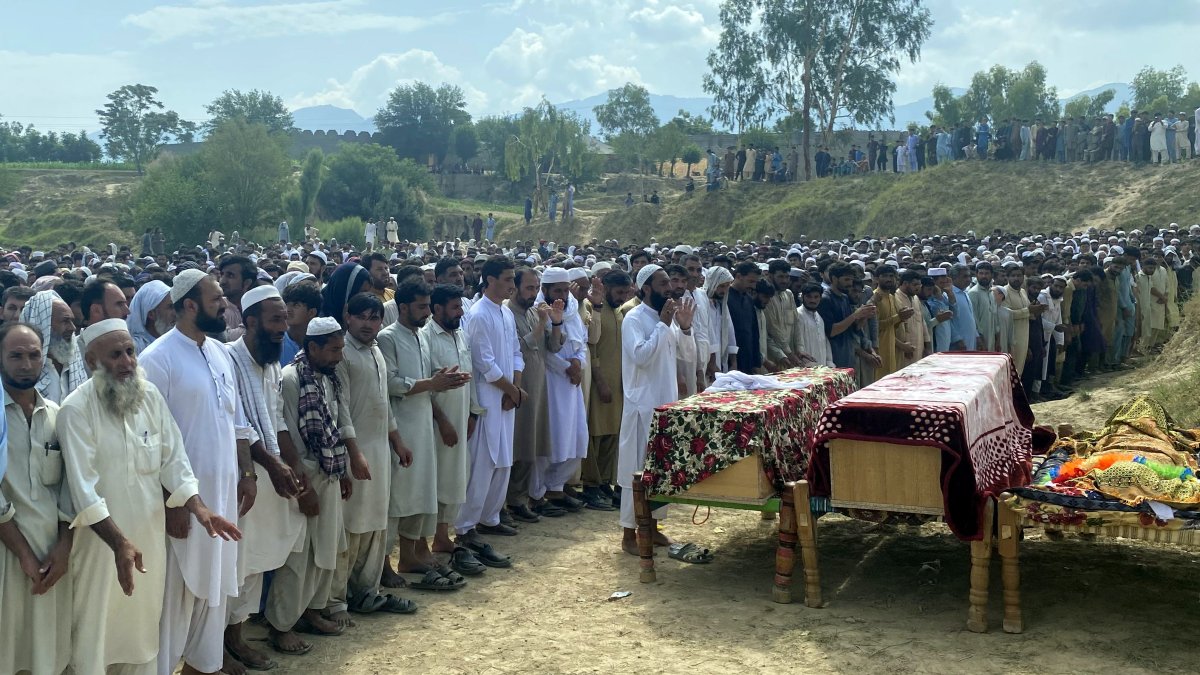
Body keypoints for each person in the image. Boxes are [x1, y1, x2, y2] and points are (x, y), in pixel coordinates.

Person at [61, 319, 240, 675]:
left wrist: (199, 508)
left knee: (143, 633)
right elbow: (85, 491)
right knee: (97, 634)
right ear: (93, 362)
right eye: (116, 355)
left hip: (148, 540)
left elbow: (173, 459)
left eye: (130, 352)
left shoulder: (149, 396)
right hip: (100, 548)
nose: (128, 361)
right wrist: (118, 543)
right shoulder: (75, 410)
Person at [139, 269, 255, 675]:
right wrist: (172, 503)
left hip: (223, 495)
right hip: (184, 501)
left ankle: (203, 667)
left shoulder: (221, 352)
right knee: (177, 595)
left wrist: (248, 473)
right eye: (215, 299)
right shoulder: (157, 360)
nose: (223, 305)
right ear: (189, 305)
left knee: (216, 588)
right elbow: (149, 440)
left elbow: (237, 420)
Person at [265, 316, 369, 654]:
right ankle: (281, 627)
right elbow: (289, 436)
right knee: (300, 556)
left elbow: (342, 421)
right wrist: (305, 485)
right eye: (334, 349)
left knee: (327, 548)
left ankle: (311, 611)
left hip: (330, 472)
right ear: (312, 348)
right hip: (305, 477)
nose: (340, 355)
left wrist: (347, 467)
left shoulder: (330, 377)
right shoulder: (291, 379)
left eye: (341, 348)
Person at [223, 286, 306, 671]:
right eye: (275, 320)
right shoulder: (228, 360)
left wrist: (292, 464)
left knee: (255, 564)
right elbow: (237, 425)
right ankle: (218, 647)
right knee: (234, 566)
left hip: (270, 472)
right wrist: (270, 465)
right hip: (242, 478)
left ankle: (238, 639)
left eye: (285, 319)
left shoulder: (272, 363)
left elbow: (277, 421)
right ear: (250, 321)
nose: (283, 328)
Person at [378, 279, 468, 588]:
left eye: (428, 306)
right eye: (421, 306)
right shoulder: (387, 338)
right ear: (403, 307)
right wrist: (431, 384)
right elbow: (390, 382)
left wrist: (442, 380)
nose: (427, 312)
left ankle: (412, 554)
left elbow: (427, 380)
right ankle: (384, 564)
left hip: (423, 427)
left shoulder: (421, 338)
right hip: (401, 429)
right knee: (398, 500)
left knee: (420, 495)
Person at [336, 291, 420, 616]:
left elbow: (383, 403)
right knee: (353, 525)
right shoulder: (341, 353)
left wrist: (397, 441)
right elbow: (341, 410)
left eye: (374, 318)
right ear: (348, 317)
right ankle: (340, 598)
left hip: (379, 451)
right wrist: (354, 453)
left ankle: (368, 591)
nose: (369, 324)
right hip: (354, 453)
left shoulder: (375, 352)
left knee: (376, 524)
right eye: (362, 317)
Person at [0, 322, 71, 675]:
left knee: (45, 650)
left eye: (33, 355)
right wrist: (24, 554)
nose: (26, 364)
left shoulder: (57, 415)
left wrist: (63, 548)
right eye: (15, 356)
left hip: (50, 556)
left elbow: (70, 488)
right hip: (7, 553)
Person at [617, 265, 694, 555]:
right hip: (641, 407)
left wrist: (684, 327)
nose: (669, 288)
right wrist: (664, 325)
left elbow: (687, 356)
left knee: (660, 470)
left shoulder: (668, 318)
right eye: (663, 283)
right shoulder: (633, 319)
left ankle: (654, 528)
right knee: (634, 471)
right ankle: (628, 535)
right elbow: (640, 357)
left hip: (665, 406)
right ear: (646, 288)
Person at [455, 256, 523, 568]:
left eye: (513, 280)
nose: (512, 285)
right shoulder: (479, 314)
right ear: (490, 280)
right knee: (483, 462)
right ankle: (465, 526)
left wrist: (516, 389)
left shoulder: (505, 313)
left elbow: (515, 353)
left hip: (507, 396)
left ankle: (489, 518)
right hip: (487, 396)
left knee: (503, 461)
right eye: (508, 279)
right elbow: (485, 364)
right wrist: (512, 391)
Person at [422, 284, 487, 576]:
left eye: (460, 307)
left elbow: (469, 376)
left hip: (461, 419)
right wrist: (444, 421)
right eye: (454, 308)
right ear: (436, 309)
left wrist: (473, 412)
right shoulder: (426, 338)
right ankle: (429, 541)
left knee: (454, 479)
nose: (460, 313)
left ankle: (442, 537)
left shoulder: (459, 334)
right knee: (436, 482)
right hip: (437, 424)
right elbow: (425, 387)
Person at [504, 267, 562, 520]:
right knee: (517, 445)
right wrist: (541, 324)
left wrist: (556, 321)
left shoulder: (531, 312)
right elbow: (521, 346)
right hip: (518, 387)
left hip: (537, 386)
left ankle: (521, 499)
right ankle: (510, 501)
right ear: (514, 287)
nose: (534, 292)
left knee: (531, 445)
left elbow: (554, 345)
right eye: (529, 287)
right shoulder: (508, 313)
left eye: (536, 287)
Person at [20, 290, 86, 404]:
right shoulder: (21, 372)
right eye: (65, 321)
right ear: (43, 324)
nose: (73, 328)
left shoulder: (74, 363)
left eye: (72, 321)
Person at [819, 262, 874, 369]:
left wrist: (864, 316)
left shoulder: (844, 298)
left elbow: (854, 328)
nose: (850, 283)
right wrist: (855, 315)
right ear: (834, 279)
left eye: (851, 280)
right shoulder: (826, 299)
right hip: (834, 355)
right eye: (846, 280)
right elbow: (831, 331)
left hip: (848, 354)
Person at [127, 280, 175, 354]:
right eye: (170, 307)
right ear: (151, 314)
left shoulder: (177, 340)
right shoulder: (135, 349)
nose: (176, 313)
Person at [796, 284, 833, 367]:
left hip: (821, 367)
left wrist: (829, 362)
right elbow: (798, 343)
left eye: (816, 297)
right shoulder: (798, 315)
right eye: (809, 297)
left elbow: (825, 342)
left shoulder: (819, 318)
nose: (813, 300)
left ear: (820, 298)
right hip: (806, 367)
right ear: (802, 297)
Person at [967, 262, 999, 350]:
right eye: (981, 273)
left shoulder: (992, 292)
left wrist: (997, 336)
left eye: (986, 273)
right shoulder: (973, 293)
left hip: (992, 336)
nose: (984, 276)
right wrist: (980, 339)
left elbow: (994, 315)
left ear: (992, 275)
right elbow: (974, 319)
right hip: (980, 339)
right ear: (976, 275)